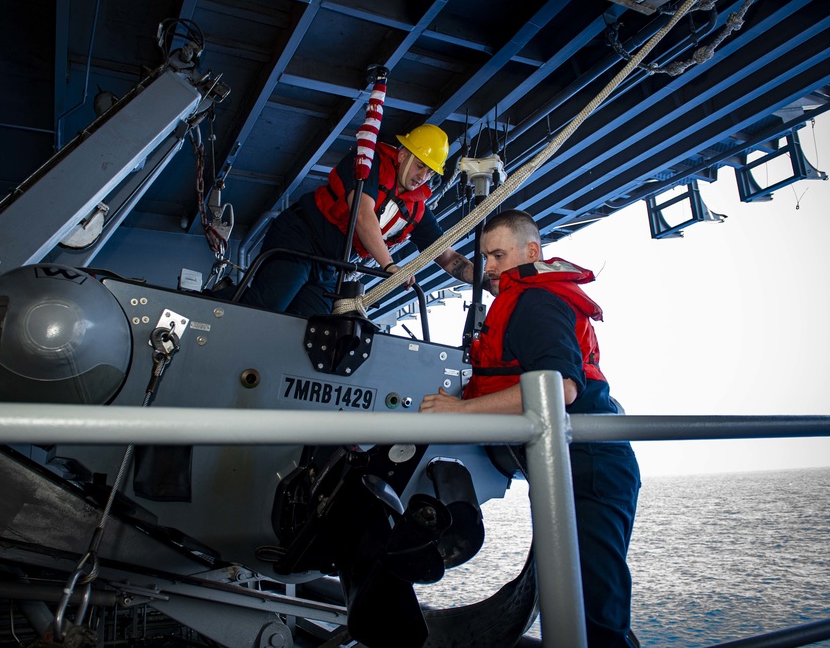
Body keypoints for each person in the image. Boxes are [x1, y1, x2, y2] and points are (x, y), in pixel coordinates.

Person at [419, 210, 641, 647]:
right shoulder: (516, 285)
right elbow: (463, 268)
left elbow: (562, 388)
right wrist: (417, 218)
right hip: (568, 461)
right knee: (574, 595)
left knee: (597, 606)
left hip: (592, 465)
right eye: (488, 256)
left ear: (531, 251)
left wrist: (460, 411)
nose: (490, 267)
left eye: (498, 255)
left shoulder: (536, 302)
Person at [239, 124, 475, 315]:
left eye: (430, 172)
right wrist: (390, 266)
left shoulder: (417, 210)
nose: (423, 177)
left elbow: (447, 257)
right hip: (300, 237)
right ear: (403, 155)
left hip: (330, 266)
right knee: (267, 310)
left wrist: (486, 279)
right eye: (420, 166)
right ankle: (216, 299)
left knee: (314, 328)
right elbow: (362, 215)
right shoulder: (368, 165)